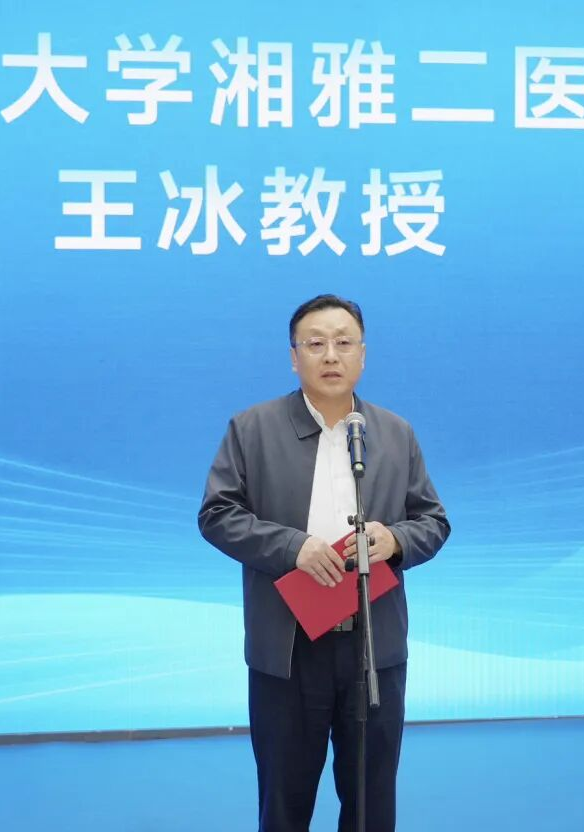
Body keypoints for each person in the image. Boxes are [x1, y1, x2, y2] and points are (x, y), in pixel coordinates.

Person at [198, 294, 450, 832]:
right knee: (284, 801)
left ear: (363, 354)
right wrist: (293, 547)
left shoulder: (395, 433)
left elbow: (433, 522)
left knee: (370, 801)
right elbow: (217, 515)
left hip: (373, 646)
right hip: (288, 650)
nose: (330, 355)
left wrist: (394, 539)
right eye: (315, 344)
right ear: (294, 357)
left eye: (343, 342)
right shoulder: (252, 428)